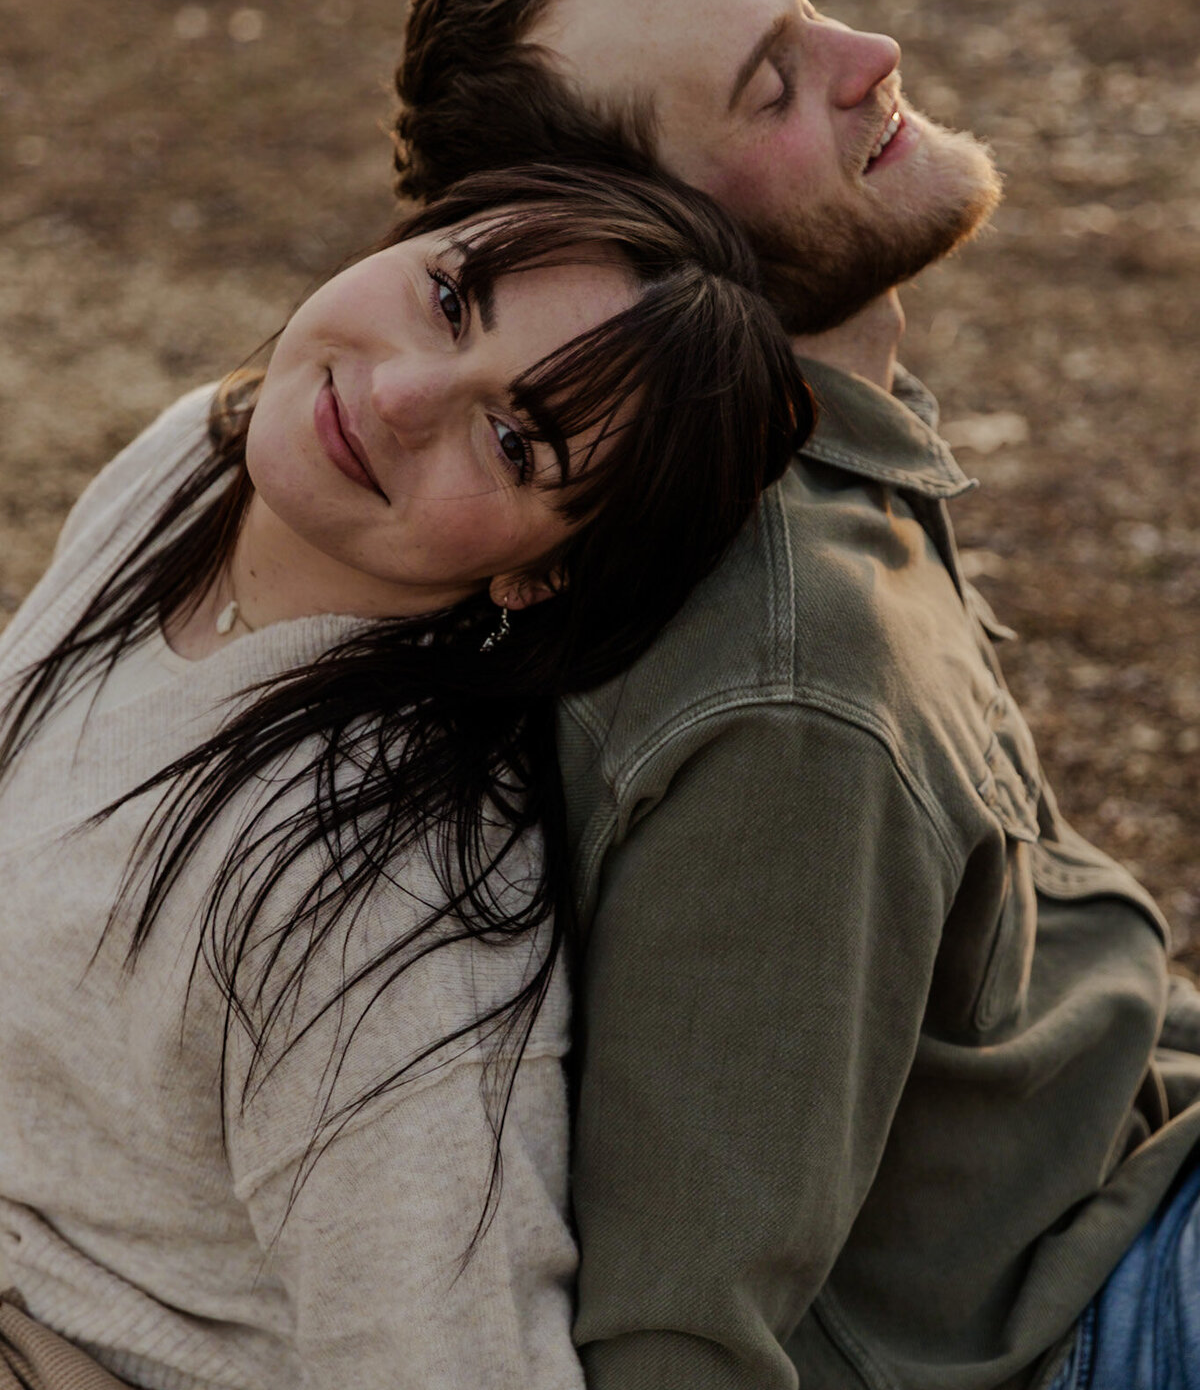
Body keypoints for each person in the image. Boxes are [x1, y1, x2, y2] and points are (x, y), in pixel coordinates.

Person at [391, 0, 1200, 1390]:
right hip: (1078, 1314)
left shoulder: (815, 464)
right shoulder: (794, 675)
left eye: (809, 1)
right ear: (656, 242)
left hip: (1113, 1157)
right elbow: (682, 1334)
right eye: (772, 81)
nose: (873, 51)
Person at [0, 162, 808, 1390]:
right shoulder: (196, 468)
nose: (395, 394)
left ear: (544, 577)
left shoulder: (381, 910)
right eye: (450, 299)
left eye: (511, 441)